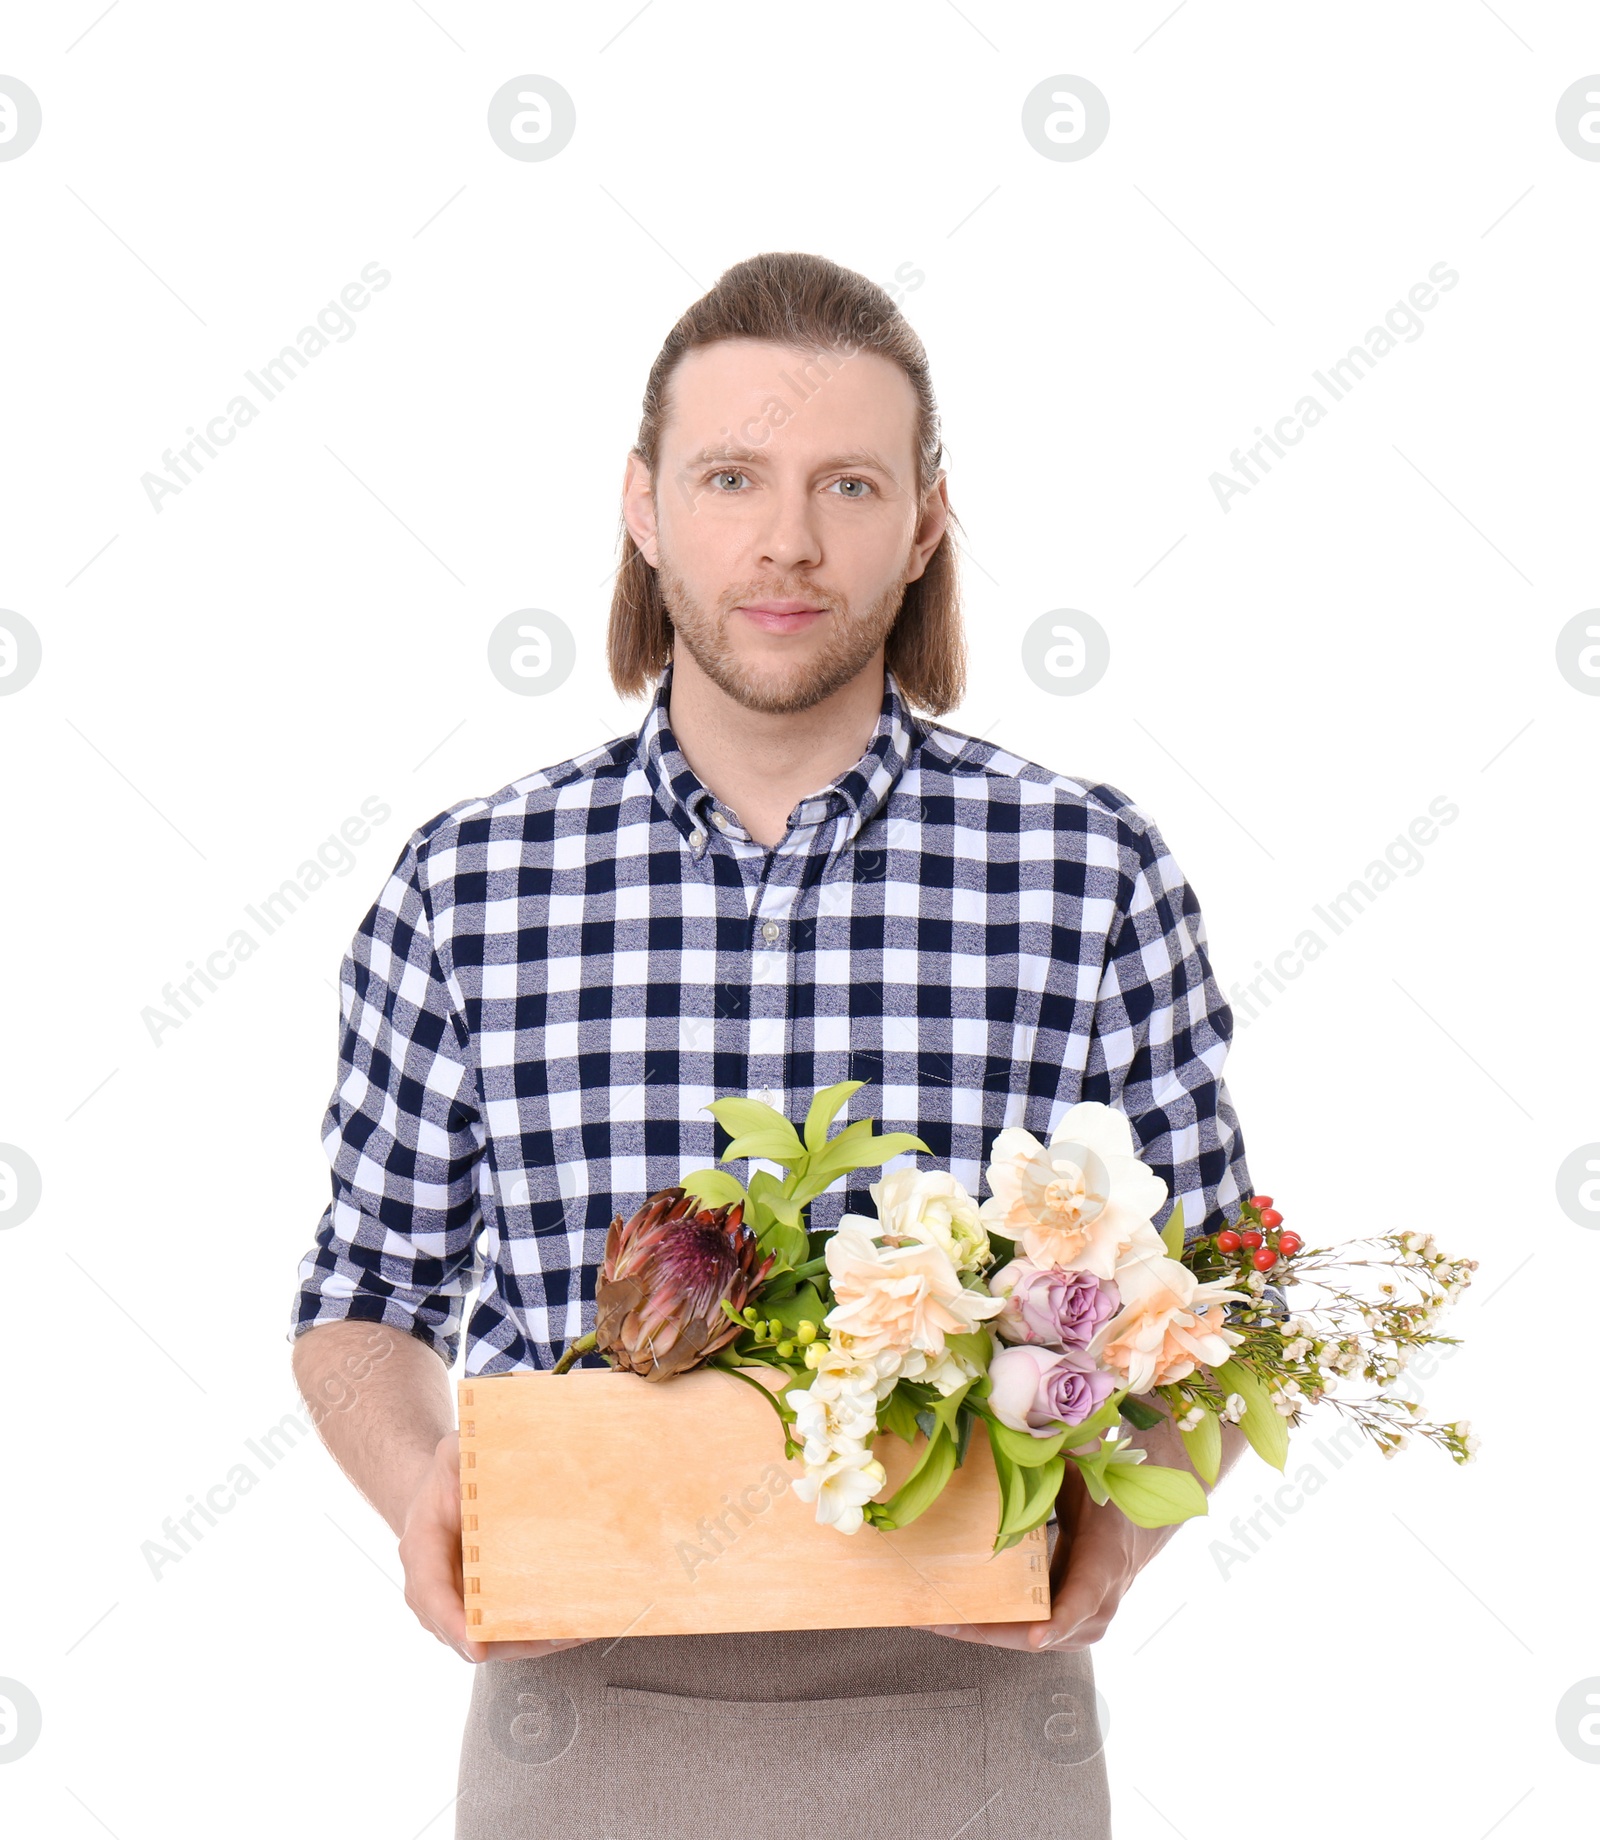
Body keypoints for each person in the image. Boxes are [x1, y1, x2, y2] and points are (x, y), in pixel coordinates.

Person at [288, 251, 1252, 1838]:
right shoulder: (467, 886)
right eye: (733, 476)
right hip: (576, 1724)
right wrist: (421, 1491)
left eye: (848, 483)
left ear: (925, 519)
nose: (787, 540)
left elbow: (1212, 1289)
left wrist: (1126, 1529)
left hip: (982, 1720)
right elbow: (362, 1297)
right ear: (646, 506)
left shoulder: (1088, 872)